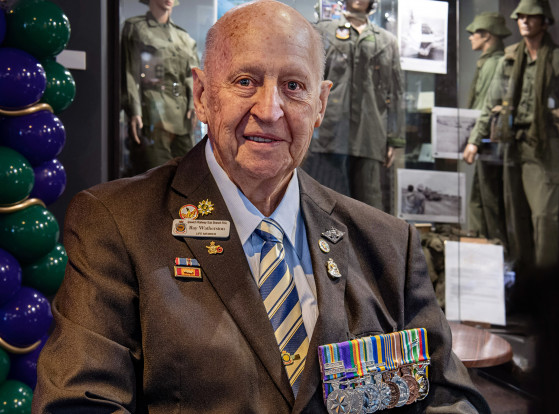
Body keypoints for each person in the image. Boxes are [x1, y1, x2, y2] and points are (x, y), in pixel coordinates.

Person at [33, 1, 489, 412]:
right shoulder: (116, 224)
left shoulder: (389, 244)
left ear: (320, 104)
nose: (269, 110)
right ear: (201, 95)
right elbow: (79, 404)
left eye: (293, 85)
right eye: (245, 81)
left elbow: (449, 398)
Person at [466, 0, 559, 268]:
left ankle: (545, 282)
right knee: (516, 220)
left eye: (531, 16)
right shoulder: (510, 59)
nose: (524, 21)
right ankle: (524, 280)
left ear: (545, 21)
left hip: (546, 148)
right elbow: (491, 105)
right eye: (520, 17)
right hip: (513, 148)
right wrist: (474, 141)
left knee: (545, 220)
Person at [303, 0, 405, 212]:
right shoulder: (323, 31)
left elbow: (395, 92)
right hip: (327, 131)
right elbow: (309, 81)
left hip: (370, 133)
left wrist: (394, 139)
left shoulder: (386, 42)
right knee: (323, 203)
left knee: (368, 207)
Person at [121, 0, 200, 175]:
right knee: (157, 176)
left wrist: (193, 104)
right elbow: (130, 73)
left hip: (183, 117)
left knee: (188, 175)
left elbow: (192, 76)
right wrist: (134, 111)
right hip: (154, 112)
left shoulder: (183, 37)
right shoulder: (137, 28)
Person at [462, 12, 511, 247]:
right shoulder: (489, 62)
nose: (470, 37)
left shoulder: (494, 63)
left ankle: (495, 249)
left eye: (475, 33)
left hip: (489, 143)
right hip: (485, 140)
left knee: (489, 200)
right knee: (481, 199)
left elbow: (486, 107)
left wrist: (475, 139)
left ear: (487, 35)